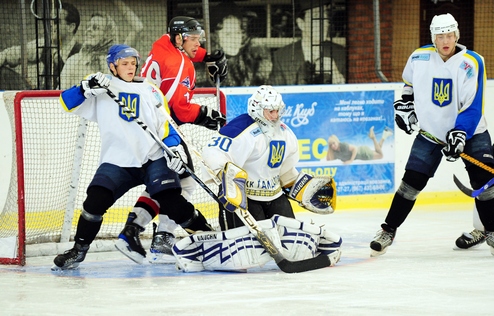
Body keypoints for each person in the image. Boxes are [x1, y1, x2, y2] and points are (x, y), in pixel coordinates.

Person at [52, 44, 212, 270]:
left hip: (153, 157)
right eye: (124, 63)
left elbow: (167, 127)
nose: (130, 67)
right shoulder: (100, 86)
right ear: (112, 66)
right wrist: (84, 88)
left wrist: (174, 149)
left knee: (172, 200)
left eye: (133, 63)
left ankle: (207, 237)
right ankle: (78, 251)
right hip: (118, 160)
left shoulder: (151, 90)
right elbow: (65, 102)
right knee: (94, 202)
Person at [369, 13, 494, 257]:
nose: (445, 40)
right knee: (410, 184)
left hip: (471, 134)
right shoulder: (419, 57)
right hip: (431, 135)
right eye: (440, 35)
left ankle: (492, 231)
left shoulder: (472, 62)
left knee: (485, 184)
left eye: (449, 35)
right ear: (433, 38)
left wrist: (459, 135)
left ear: (457, 35)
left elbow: (473, 107)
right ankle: (387, 231)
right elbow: (409, 85)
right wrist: (404, 105)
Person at [121, 16, 227, 262]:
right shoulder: (180, 63)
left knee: (165, 184)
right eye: (193, 39)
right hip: (161, 130)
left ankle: (133, 230)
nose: (197, 43)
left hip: (141, 127)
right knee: (185, 183)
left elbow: (182, 55)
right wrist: (204, 115)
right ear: (179, 39)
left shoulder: (162, 45)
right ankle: (162, 237)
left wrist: (205, 56)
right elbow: (180, 109)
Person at [201, 85, 336, 229]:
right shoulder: (240, 128)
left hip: (274, 195)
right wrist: (225, 176)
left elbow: (284, 168)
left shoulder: (284, 132)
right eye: (270, 111)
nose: (275, 116)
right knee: (250, 241)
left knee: (291, 234)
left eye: (277, 111)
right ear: (257, 109)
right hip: (245, 198)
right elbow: (213, 151)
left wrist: (296, 184)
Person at [60, 0, 143, 89]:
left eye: (96, 28)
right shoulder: (73, 61)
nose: (89, 30)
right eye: (88, 26)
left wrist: (117, 2)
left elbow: (138, 28)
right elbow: (63, 94)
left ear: (107, 34)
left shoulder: (116, 61)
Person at [0, 2, 81, 89]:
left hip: (65, 98)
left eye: (56, 22)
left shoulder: (81, 52)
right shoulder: (44, 44)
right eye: (50, 21)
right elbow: (9, 54)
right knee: (3, 73)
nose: (51, 25)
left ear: (71, 27)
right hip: (40, 98)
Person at [195, 1, 272, 87]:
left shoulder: (255, 61)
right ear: (215, 37)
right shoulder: (201, 65)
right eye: (228, 34)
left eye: (238, 33)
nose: (234, 40)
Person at [269, 1, 346, 85]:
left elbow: (353, 96)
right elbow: (274, 95)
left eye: (326, 16)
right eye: (317, 17)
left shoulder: (340, 54)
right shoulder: (282, 57)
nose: (325, 23)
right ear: (301, 24)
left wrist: (337, 78)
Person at [326, 126, 393, 164]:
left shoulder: (343, 145)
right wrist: (329, 150)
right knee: (378, 150)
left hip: (363, 153)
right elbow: (328, 160)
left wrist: (351, 161)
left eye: (334, 143)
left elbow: (355, 148)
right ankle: (384, 135)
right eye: (330, 145)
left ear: (337, 141)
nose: (333, 146)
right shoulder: (335, 153)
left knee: (380, 155)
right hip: (363, 151)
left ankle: (373, 138)